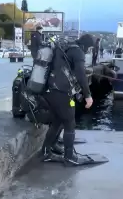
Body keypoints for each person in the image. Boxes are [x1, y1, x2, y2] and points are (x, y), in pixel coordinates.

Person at [42, 34, 95, 165]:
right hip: (62, 91)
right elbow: (81, 75)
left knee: (57, 121)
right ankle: (69, 157)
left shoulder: (65, 47)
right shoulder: (78, 52)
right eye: (89, 48)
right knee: (70, 123)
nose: (88, 51)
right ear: (86, 46)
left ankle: (46, 152)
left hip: (50, 89)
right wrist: (88, 96)